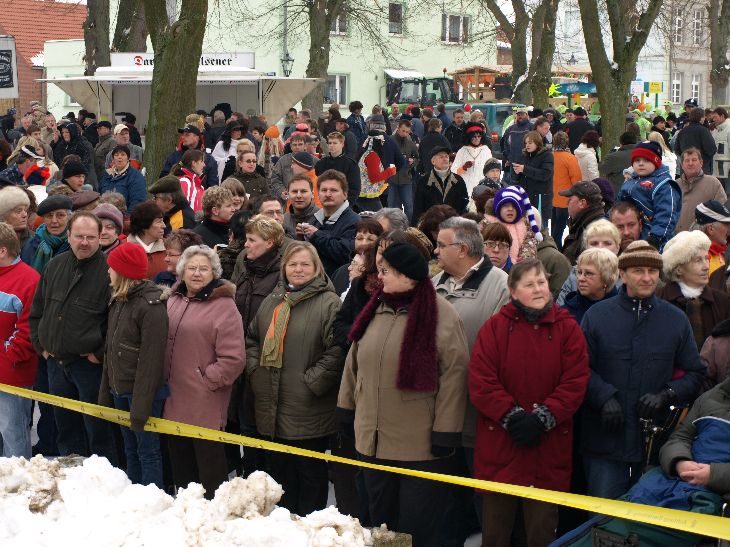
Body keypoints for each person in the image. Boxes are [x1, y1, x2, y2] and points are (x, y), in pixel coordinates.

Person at [338, 243, 469, 547]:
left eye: (386, 271)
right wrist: (345, 408)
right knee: (382, 526)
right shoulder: (375, 309)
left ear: (407, 275)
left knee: (416, 528)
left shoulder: (441, 314)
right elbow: (354, 363)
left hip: (418, 447)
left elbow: (454, 376)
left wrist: (446, 431)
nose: (380, 277)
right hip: (373, 442)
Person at [470, 258, 589, 547]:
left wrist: (542, 418)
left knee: (541, 531)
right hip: (502, 444)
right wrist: (511, 416)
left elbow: (575, 382)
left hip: (547, 447)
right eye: (529, 284)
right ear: (513, 291)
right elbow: (481, 380)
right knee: (496, 531)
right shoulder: (494, 328)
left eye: (541, 282)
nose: (538, 289)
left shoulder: (567, 329)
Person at [580, 240, 706, 499]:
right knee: (603, 516)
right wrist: (603, 396)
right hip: (605, 440)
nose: (647, 278)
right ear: (623, 274)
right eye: (638, 270)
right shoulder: (597, 316)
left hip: (653, 445)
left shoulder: (675, 320)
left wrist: (667, 394)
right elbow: (579, 368)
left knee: (644, 516)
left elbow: (695, 373)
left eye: (653, 271)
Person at [246, 241, 343, 515]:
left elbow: (337, 350)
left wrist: (311, 382)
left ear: (317, 268)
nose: (298, 269)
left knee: (310, 475)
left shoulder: (329, 303)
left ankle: (310, 528)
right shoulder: (273, 300)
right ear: (284, 268)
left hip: (308, 407)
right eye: (292, 264)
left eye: (305, 264)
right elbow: (252, 338)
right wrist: (256, 371)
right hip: (272, 406)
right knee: (281, 475)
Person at [432, 217, 509, 544]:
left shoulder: (500, 285)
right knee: (444, 501)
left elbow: (503, 352)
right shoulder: (434, 283)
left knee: (482, 500)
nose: (436, 251)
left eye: (441, 245)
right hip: (439, 412)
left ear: (462, 249)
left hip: (478, 416)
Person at [28, 211, 118, 464]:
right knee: (65, 428)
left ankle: (104, 477)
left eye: (90, 237)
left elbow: (116, 323)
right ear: (68, 236)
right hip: (55, 364)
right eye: (79, 236)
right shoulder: (55, 265)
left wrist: (98, 355)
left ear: (100, 238)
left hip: (89, 367)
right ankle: (71, 474)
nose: (84, 242)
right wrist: (41, 346)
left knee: (98, 429)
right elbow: (37, 311)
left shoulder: (109, 272)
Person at [164, 245, 245, 499]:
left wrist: (206, 381)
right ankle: (187, 513)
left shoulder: (223, 305)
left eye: (204, 269)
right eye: (191, 268)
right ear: (182, 271)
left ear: (214, 273)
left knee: (210, 472)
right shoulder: (174, 299)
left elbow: (233, 359)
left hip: (204, 401)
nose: (197, 273)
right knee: (182, 469)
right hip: (173, 397)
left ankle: (215, 517)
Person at [98, 244, 168, 488]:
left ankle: (151, 496)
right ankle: (134, 494)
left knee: (147, 451)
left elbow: (151, 361)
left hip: (141, 395)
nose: (108, 272)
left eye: (111, 268)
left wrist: (141, 406)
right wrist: (106, 390)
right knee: (130, 448)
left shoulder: (151, 306)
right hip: (120, 389)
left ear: (123, 272)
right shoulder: (118, 300)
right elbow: (110, 349)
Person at [0, 222, 40, 458]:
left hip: (12, 374)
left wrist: (7, 358)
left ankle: (18, 479)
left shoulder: (28, 280)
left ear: (2, 251)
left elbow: (28, 332)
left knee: (13, 435)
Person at [657, 230, 730, 351]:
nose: (706, 266)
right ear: (679, 269)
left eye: (706, 258)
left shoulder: (722, 301)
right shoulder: (659, 301)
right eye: (698, 260)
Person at [617, 141, 681, 250]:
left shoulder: (663, 184)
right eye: (637, 160)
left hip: (654, 238)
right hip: (628, 234)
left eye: (646, 160)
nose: (641, 163)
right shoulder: (630, 182)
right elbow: (617, 207)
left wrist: (656, 236)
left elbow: (667, 213)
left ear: (656, 162)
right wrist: (605, 222)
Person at [299, 170, 360, 276]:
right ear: (318, 194)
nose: (328, 194)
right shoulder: (314, 219)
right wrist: (301, 238)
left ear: (345, 194)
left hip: (337, 281)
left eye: (333, 190)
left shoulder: (355, 222)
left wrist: (316, 235)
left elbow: (346, 254)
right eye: (324, 190)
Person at [485, 185, 543, 264]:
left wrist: (524, 259)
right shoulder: (488, 223)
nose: (510, 209)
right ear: (498, 208)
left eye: (514, 206)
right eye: (505, 206)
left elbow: (529, 246)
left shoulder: (524, 227)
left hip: (515, 267)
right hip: (489, 264)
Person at [675, 148, 727, 233]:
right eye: (687, 161)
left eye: (694, 160)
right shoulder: (675, 185)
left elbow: (722, 212)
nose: (690, 163)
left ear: (701, 163)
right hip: (677, 237)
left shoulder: (713, 183)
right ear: (682, 165)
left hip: (703, 237)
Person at [562, 247, 619, 324]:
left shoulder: (621, 311)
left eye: (589, 273)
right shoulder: (566, 313)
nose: (581, 278)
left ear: (607, 278)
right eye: (579, 272)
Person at [413, 146, 469, 223]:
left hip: (453, 224)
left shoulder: (458, 180)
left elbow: (464, 205)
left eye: (446, 156)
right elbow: (418, 208)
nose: (445, 159)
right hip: (431, 225)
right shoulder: (424, 182)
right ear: (433, 161)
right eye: (441, 157)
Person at [513, 130, 554, 227]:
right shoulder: (523, 156)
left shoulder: (546, 155)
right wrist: (516, 172)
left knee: (540, 228)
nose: (527, 145)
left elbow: (545, 174)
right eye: (526, 143)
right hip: (525, 199)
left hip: (539, 199)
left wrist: (525, 169)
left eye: (530, 143)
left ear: (537, 143)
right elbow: (516, 178)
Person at [21, 195, 72, 271]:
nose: (54, 221)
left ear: (68, 217)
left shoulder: (75, 244)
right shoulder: (32, 244)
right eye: (49, 216)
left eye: (60, 215)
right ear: (44, 219)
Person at [560, 181, 606, 265]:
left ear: (582, 203)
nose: (567, 203)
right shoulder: (582, 224)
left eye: (570, 200)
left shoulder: (595, 231)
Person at [551, 131, 583, 250]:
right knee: (559, 232)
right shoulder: (570, 158)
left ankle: (553, 250)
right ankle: (559, 253)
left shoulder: (549, 157)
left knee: (554, 229)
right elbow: (577, 180)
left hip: (551, 198)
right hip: (565, 200)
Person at [315, 131, 361, 205]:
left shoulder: (350, 164)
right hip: (322, 204)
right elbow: (316, 184)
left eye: (335, 143)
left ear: (342, 144)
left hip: (342, 204)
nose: (331, 145)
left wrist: (345, 205)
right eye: (330, 143)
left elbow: (354, 189)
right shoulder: (321, 163)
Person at [99, 145, 147, 211]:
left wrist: (128, 216)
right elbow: (99, 195)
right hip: (104, 214)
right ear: (113, 159)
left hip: (124, 215)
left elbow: (138, 201)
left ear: (128, 158)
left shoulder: (136, 177)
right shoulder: (106, 175)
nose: (119, 157)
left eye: (123, 154)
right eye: (116, 155)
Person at [126, 202, 167, 279]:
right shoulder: (122, 248)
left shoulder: (169, 247)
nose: (164, 226)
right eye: (159, 222)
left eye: (163, 221)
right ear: (144, 224)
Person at [451, 122, 492, 197]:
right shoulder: (462, 151)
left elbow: (490, 170)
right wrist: (464, 167)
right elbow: (453, 172)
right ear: (469, 137)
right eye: (474, 137)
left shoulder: (486, 150)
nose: (477, 139)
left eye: (479, 136)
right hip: (465, 188)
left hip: (482, 189)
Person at [270, 133, 314, 200]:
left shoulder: (313, 160)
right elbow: (275, 179)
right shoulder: (283, 161)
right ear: (291, 146)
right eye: (294, 145)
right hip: (287, 199)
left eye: (300, 144)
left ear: (305, 146)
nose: (297, 147)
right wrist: (281, 191)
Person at [52, 122, 95, 189]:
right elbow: (56, 159)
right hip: (65, 180)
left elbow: (86, 165)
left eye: (67, 132)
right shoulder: (62, 144)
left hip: (82, 181)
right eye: (63, 132)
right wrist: (54, 143)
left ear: (73, 132)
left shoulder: (83, 145)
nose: (64, 134)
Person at [674, 108, 717, 175]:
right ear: (701, 118)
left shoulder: (682, 131)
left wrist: (687, 157)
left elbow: (677, 150)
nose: (704, 119)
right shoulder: (704, 131)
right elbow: (711, 149)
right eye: (703, 117)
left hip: (686, 169)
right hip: (701, 168)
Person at [283, 174, 320, 239]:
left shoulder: (323, 219)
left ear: (312, 194)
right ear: (288, 194)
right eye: (294, 191)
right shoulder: (283, 220)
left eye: (303, 191)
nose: (299, 196)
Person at [502, 107, 532, 183]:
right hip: (514, 163)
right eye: (518, 115)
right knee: (514, 184)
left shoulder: (531, 127)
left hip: (527, 163)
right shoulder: (510, 129)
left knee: (527, 184)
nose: (520, 116)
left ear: (527, 115)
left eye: (522, 114)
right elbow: (505, 143)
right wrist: (508, 156)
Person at [171, 149, 205, 213]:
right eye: (202, 161)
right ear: (194, 163)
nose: (204, 165)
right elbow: (181, 210)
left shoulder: (198, 185)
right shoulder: (184, 182)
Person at [711, 107, 730, 192]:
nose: (713, 119)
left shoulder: (728, 129)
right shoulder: (717, 129)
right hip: (718, 169)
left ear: (722, 116)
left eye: (715, 117)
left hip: (727, 169)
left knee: (727, 193)